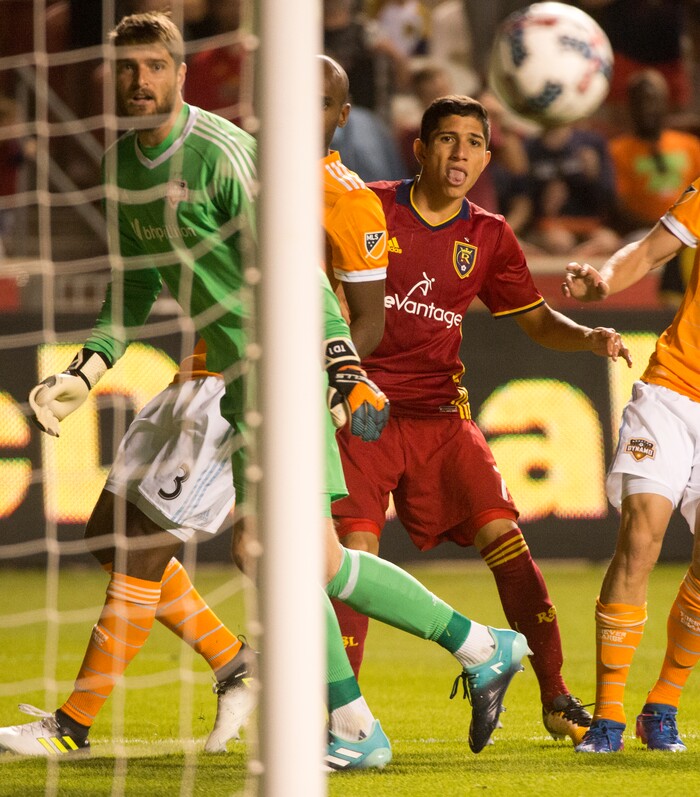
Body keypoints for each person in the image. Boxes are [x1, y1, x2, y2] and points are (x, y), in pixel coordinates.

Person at [0, 16, 529, 767]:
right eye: (128, 68)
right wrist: (89, 368)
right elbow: (135, 280)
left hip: (272, 371)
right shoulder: (122, 167)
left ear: (182, 72)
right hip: (220, 374)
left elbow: (299, 271)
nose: (141, 81)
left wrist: (343, 367)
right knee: (301, 559)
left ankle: (85, 723)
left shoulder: (227, 156)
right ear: (106, 75)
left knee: (242, 549)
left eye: (156, 66)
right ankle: (475, 647)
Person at [330, 94, 633, 747]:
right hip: (364, 410)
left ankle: (556, 697)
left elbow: (536, 319)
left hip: (442, 415)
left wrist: (588, 338)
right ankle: (340, 718)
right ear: (420, 148)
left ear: (488, 158)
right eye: (447, 138)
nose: (460, 152)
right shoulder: (369, 207)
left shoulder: (489, 234)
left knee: (507, 538)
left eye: (473, 142)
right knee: (352, 558)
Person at [562, 176, 700, 754]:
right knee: (641, 535)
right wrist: (604, 281)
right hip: (673, 390)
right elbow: (646, 252)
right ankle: (608, 716)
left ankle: (662, 705)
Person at [608, 69, 700, 305]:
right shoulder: (617, 150)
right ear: (630, 108)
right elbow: (617, 208)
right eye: (640, 101)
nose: (647, 108)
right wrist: (666, 229)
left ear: (666, 104)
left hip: (690, 232)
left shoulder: (689, 145)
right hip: (642, 233)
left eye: (653, 100)